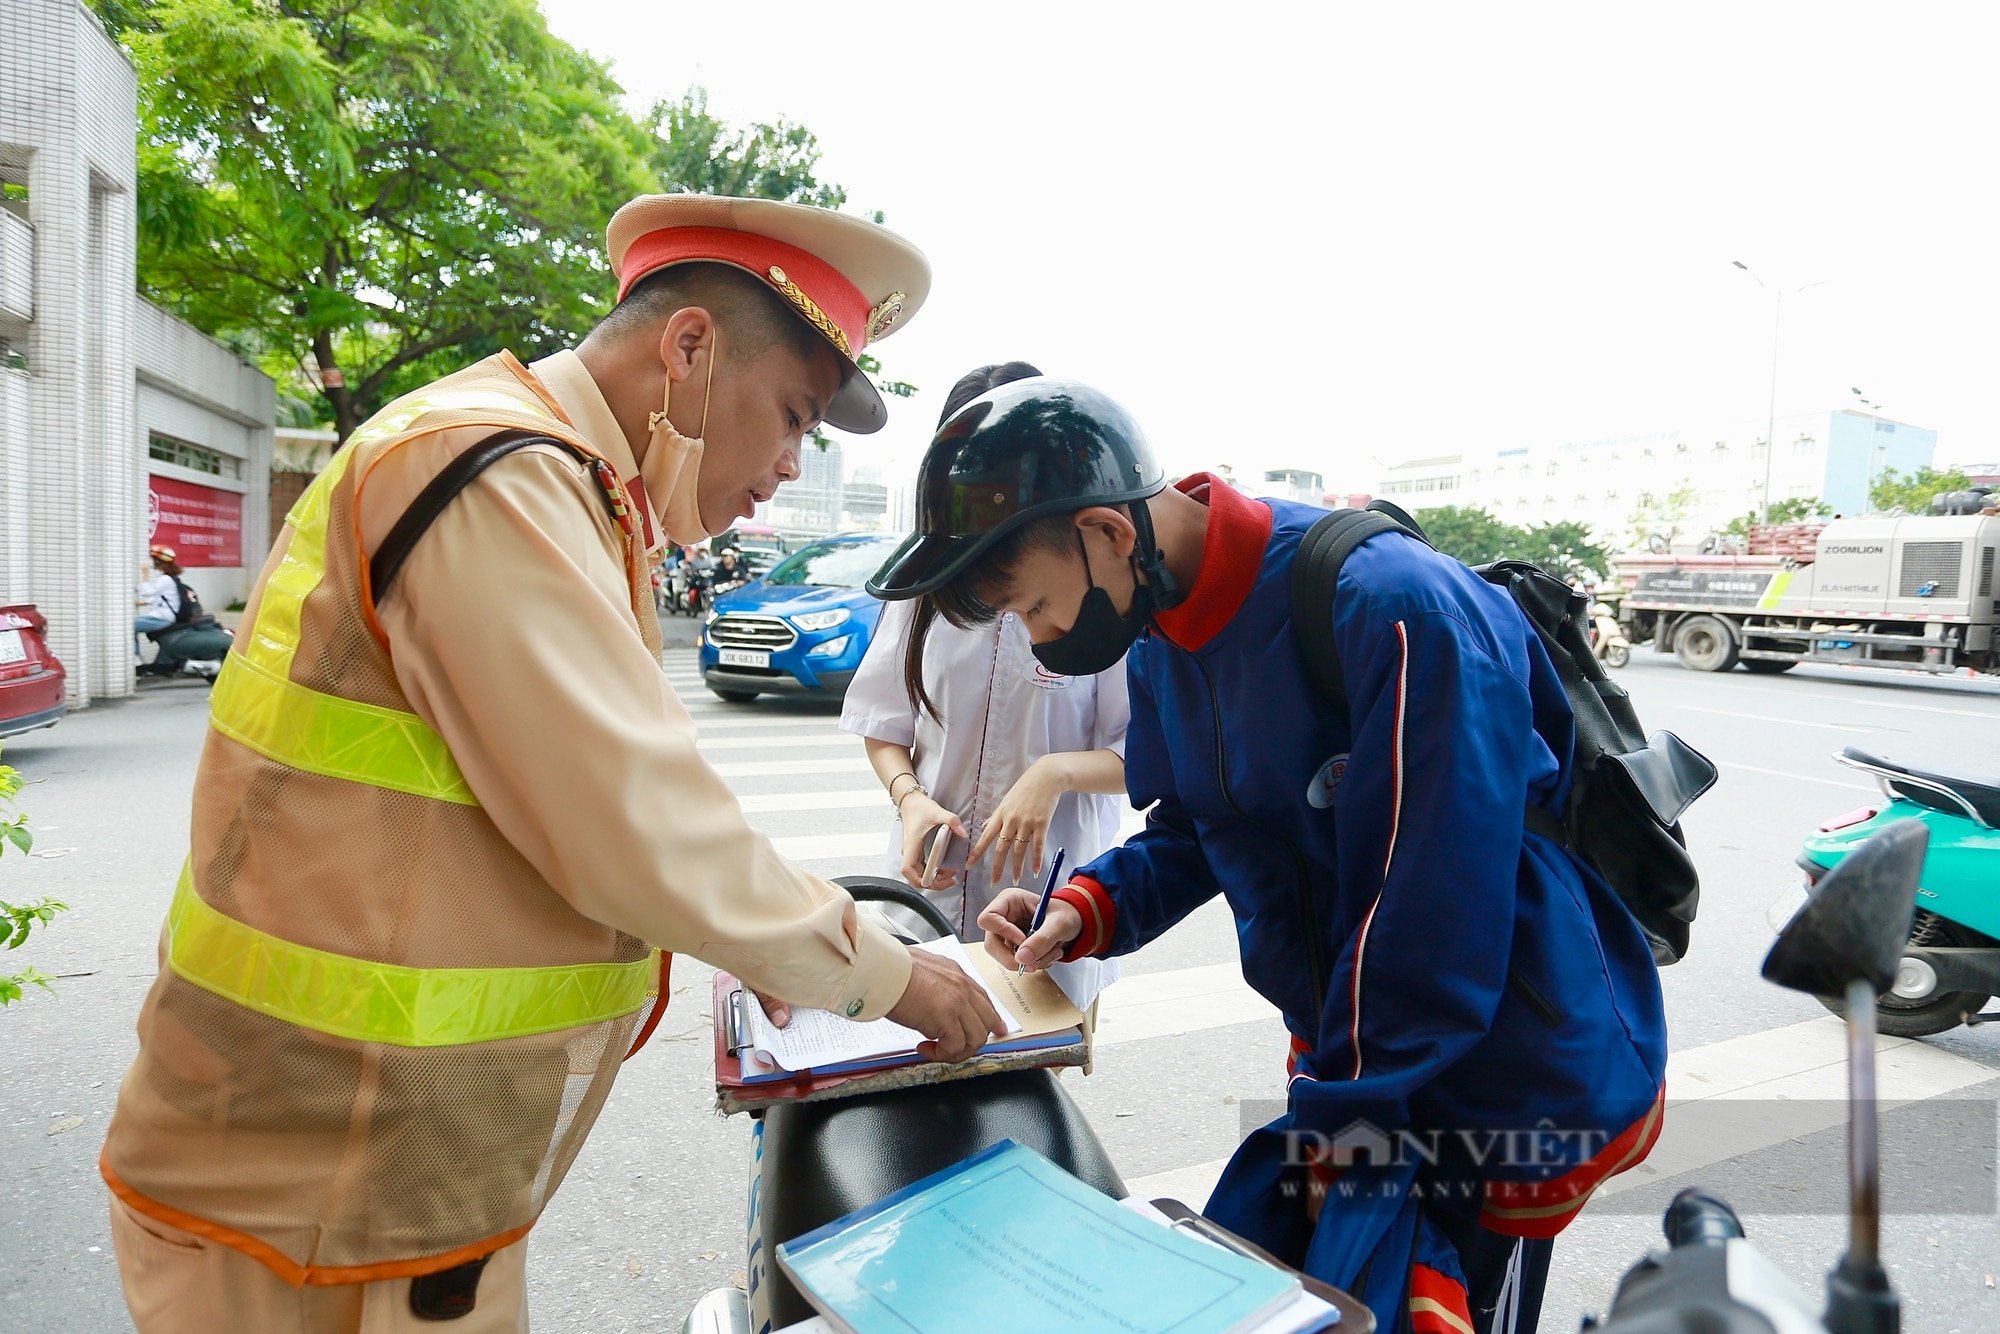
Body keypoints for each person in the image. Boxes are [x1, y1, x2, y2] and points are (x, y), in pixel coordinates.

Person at [99, 194, 1004, 1333]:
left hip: (378, 1175)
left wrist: (780, 945)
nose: (784, 465)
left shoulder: (561, 487)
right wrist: (883, 973)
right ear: (687, 348)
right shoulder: (499, 472)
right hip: (310, 1185)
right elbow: (634, 821)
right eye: (789, 414)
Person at [869, 378, 1668, 1334]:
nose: (1041, 642)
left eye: (1035, 605)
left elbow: (1431, 910)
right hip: (1356, 1060)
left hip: (1494, 1064)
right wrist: (1083, 910)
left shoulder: (1393, 607)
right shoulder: (1165, 633)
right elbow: (1200, 827)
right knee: (1341, 1297)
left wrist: (1339, 1128)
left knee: (1444, 1302)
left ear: (1110, 534)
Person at [840, 362, 1130, 942]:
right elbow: (884, 721)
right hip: (925, 895)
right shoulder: (925, 588)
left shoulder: (1100, 590)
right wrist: (911, 801)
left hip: (1051, 903)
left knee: (1042, 1032)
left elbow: (1145, 753)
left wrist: (1056, 773)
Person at [132, 545, 182, 656]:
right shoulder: (171, 578)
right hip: (165, 617)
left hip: (163, 619)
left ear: (158, 562)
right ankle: (135, 657)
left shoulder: (165, 579)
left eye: (153, 560)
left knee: (128, 626)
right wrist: (144, 603)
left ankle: (134, 658)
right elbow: (164, 597)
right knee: (131, 625)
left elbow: (147, 592)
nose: (151, 562)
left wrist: (145, 574)